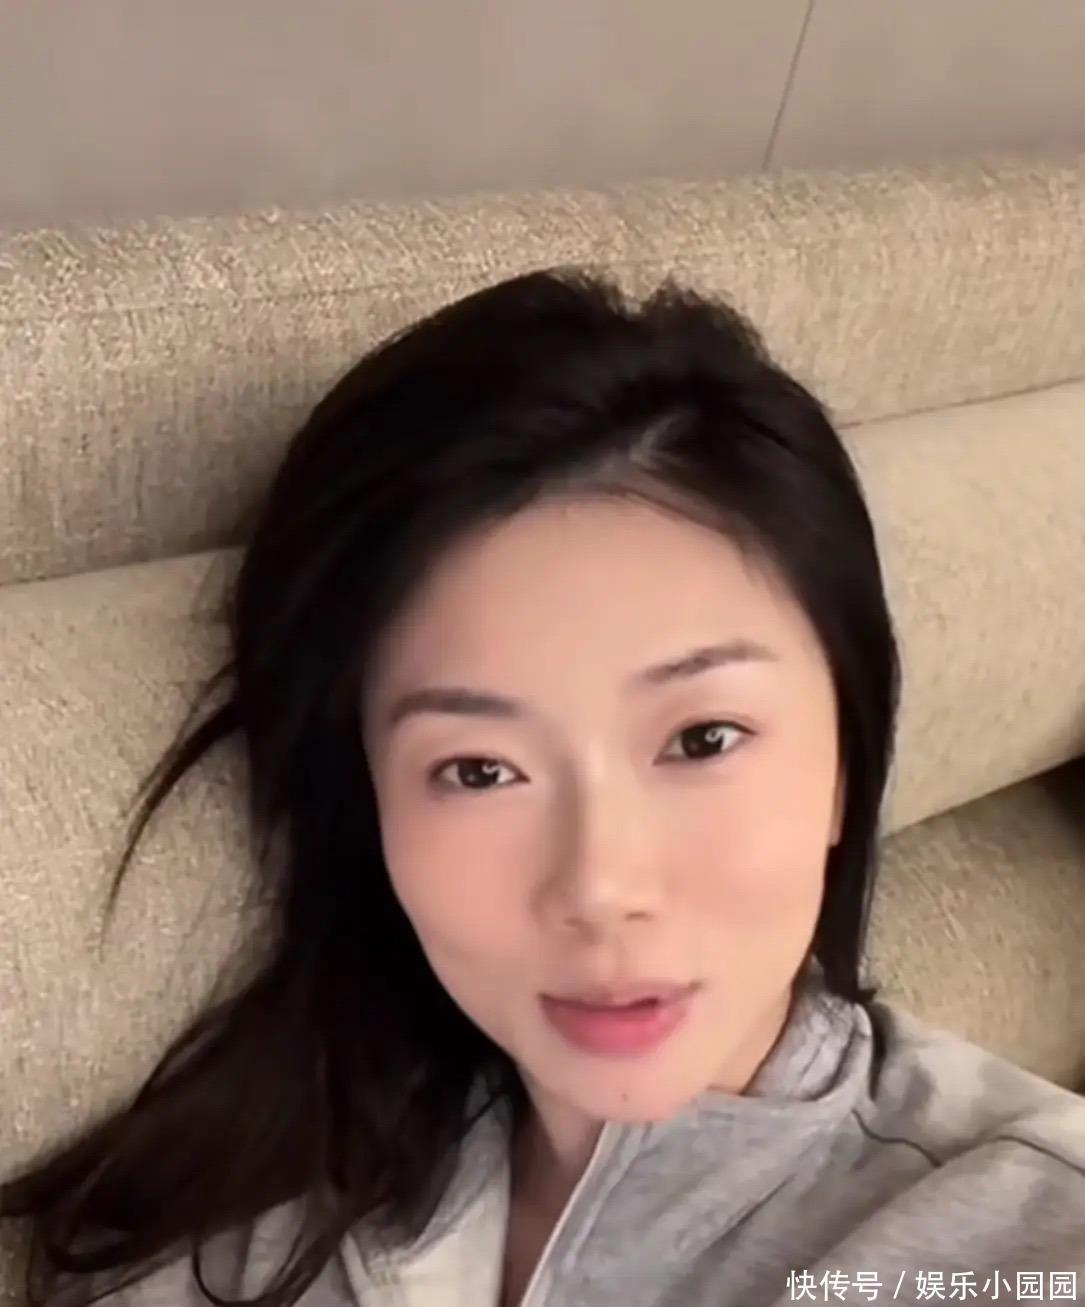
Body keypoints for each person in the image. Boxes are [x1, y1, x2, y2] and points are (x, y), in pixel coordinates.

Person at [3, 268, 1083, 1307]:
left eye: (702, 738)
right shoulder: (252, 1209)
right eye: (479, 770)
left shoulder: (1018, 1235)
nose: (600, 885)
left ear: (844, 761)